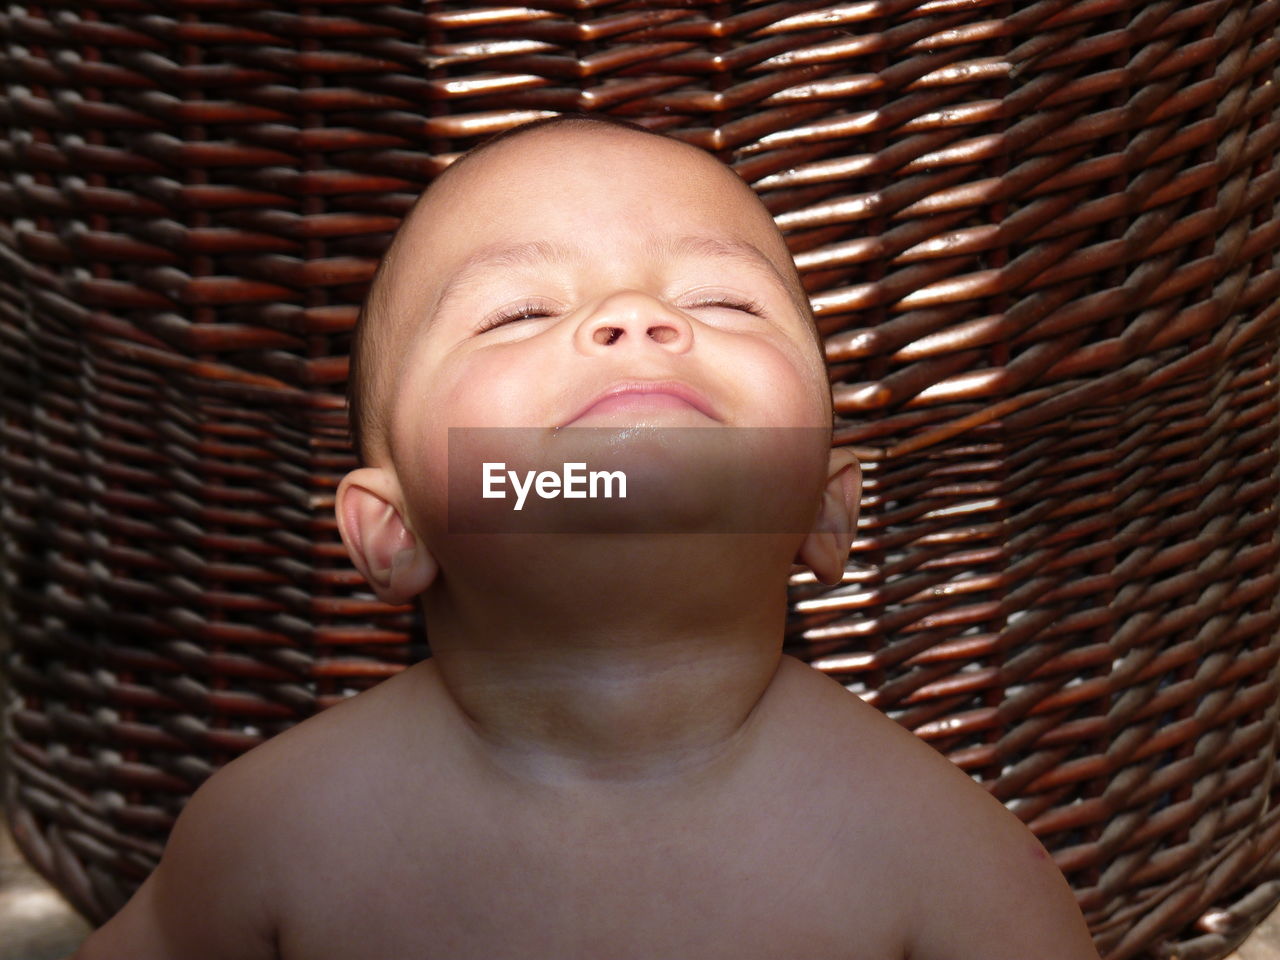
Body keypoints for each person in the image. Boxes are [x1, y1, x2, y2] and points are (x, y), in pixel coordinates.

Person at [71, 114, 1101, 959]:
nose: (632, 317)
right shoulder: (276, 834)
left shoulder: (934, 856)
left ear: (824, 511)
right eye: (517, 312)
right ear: (393, 533)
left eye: (720, 301)